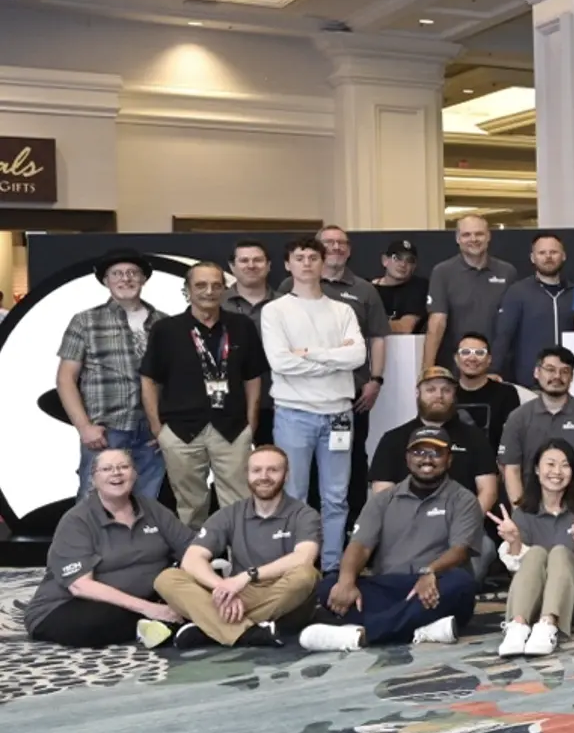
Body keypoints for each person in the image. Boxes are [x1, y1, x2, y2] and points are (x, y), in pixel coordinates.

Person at [303, 428, 484, 651]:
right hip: (390, 586)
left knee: (461, 583)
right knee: (330, 585)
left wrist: (430, 572)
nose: (426, 459)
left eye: (436, 453)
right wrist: (347, 581)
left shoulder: (463, 499)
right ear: (407, 459)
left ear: (449, 460)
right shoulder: (384, 499)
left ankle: (366, 633)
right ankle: (422, 628)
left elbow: (460, 550)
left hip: (435, 586)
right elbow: (360, 546)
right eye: (419, 452)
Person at [260, 236, 367, 574]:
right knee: (293, 496)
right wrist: (334, 358)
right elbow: (280, 363)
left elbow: (357, 356)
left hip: (338, 413)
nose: (307, 263)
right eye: (299, 257)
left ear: (323, 263)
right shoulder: (275, 310)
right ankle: (297, 569)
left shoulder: (342, 310)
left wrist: (310, 353)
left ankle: (333, 567)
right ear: (288, 265)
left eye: (313, 257)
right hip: (294, 413)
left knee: (336, 497)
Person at [155, 444, 322, 647]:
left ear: (286, 475)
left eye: (273, 470)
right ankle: (247, 632)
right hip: (237, 593)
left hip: (281, 594)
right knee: (167, 578)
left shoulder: (304, 514)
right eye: (257, 470)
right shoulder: (230, 514)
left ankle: (209, 626)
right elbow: (192, 558)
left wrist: (247, 576)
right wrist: (222, 586)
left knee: (305, 575)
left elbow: (303, 558)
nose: (264, 476)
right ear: (247, 475)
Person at [141, 261, 268, 527]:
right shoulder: (166, 330)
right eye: (200, 285)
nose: (209, 291)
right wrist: (157, 427)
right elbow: (149, 379)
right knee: (190, 505)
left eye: (216, 285)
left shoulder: (241, 326)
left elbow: (253, 377)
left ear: (224, 289)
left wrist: (251, 422)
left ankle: (240, 562)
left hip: (232, 428)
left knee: (239, 502)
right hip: (181, 430)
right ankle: (194, 563)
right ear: (187, 290)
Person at [23, 448, 192, 648]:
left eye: (124, 467)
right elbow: (80, 586)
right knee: (96, 623)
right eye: (107, 469)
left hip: (143, 599)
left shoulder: (153, 509)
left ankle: (170, 624)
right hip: (67, 606)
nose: (116, 473)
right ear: (93, 479)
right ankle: (171, 623)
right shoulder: (77, 520)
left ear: (135, 474)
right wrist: (149, 608)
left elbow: (192, 547)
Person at [58, 248, 168, 500]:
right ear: (106, 281)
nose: (125, 278)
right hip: (107, 431)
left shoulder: (164, 323)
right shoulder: (85, 321)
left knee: (145, 502)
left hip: (152, 433)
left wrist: (165, 429)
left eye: (132, 273)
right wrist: (84, 427)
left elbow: (174, 379)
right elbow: (65, 379)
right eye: (116, 273)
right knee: (93, 502)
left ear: (143, 279)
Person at [371, 367, 501, 577]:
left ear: (454, 395)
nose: (438, 395)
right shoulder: (393, 439)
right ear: (417, 393)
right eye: (430, 389)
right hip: (407, 530)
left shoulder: (474, 438)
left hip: (460, 529)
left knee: (482, 551)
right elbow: (381, 493)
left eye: (446, 390)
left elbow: (488, 491)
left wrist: (463, 524)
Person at [494, 440, 574, 657]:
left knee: (559, 552)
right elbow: (521, 574)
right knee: (535, 553)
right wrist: (514, 542)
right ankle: (518, 626)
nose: (557, 472)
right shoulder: (523, 511)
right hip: (539, 593)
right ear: (537, 469)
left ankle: (548, 625)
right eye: (550, 464)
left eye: (565, 465)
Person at [277, 226, 389, 422]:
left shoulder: (365, 289)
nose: (336, 247)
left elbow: (377, 337)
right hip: (302, 388)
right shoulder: (290, 286)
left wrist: (376, 380)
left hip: (353, 388)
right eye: (329, 243)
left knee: (352, 450)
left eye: (342, 243)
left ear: (349, 251)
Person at [498, 346, 574, 506]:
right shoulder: (518, 417)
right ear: (537, 372)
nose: (557, 376)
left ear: (572, 377)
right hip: (531, 509)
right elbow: (511, 469)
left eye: (564, 371)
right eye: (550, 369)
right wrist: (520, 514)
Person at [424, 214, 518, 370]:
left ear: (488, 236)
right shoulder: (443, 272)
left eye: (479, 234)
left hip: (497, 368)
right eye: (466, 234)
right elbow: (437, 322)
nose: (473, 239)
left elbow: (512, 324)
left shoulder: (507, 272)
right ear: (457, 238)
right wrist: (427, 369)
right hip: (455, 367)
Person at [493, 233, 569, 386]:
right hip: (529, 382)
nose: (548, 257)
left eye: (553, 252)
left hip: (569, 380)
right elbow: (504, 335)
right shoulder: (517, 292)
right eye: (542, 253)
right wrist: (493, 370)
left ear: (563, 256)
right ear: (533, 258)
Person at [448, 333, 522, 452]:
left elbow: (514, 439)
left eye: (480, 353)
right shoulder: (446, 394)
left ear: (489, 359)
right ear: (456, 358)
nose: (472, 358)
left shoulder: (507, 394)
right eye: (466, 352)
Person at [373, 239, 429, 334]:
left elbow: (405, 327)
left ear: (414, 267)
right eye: (397, 258)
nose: (403, 264)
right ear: (384, 260)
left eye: (409, 260)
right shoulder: (367, 289)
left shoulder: (418, 287)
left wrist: (367, 325)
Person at [224, 240, 276, 321]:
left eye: (258, 260)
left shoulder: (286, 304)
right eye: (244, 261)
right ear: (232, 266)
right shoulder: (217, 303)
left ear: (268, 266)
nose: (251, 266)